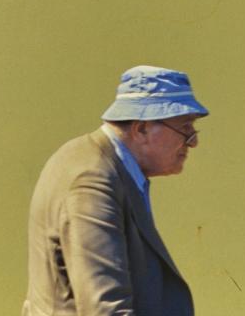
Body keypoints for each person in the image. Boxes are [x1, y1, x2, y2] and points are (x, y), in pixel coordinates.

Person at [22, 65, 208, 316]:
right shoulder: (92, 181)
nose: (193, 141)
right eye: (185, 129)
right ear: (141, 128)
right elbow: (105, 308)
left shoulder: (101, 164)